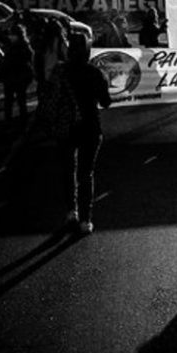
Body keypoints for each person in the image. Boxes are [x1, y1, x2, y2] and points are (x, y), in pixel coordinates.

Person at [60, 33, 112, 233]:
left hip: (65, 127)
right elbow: (105, 102)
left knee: (68, 170)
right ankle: (85, 220)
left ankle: (71, 211)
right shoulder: (94, 73)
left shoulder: (60, 71)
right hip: (90, 127)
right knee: (86, 173)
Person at [0, 23, 34, 122]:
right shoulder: (19, 45)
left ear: (18, 35)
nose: (10, 36)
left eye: (12, 35)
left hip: (17, 76)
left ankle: (18, 120)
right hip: (14, 76)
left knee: (17, 100)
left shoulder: (22, 47)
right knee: (14, 100)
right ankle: (16, 119)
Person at [34, 19, 68, 100]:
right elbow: (66, 57)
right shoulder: (60, 42)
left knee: (44, 99)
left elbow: (36, 58)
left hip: (44, 75)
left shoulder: (42, 42)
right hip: (57, 74)